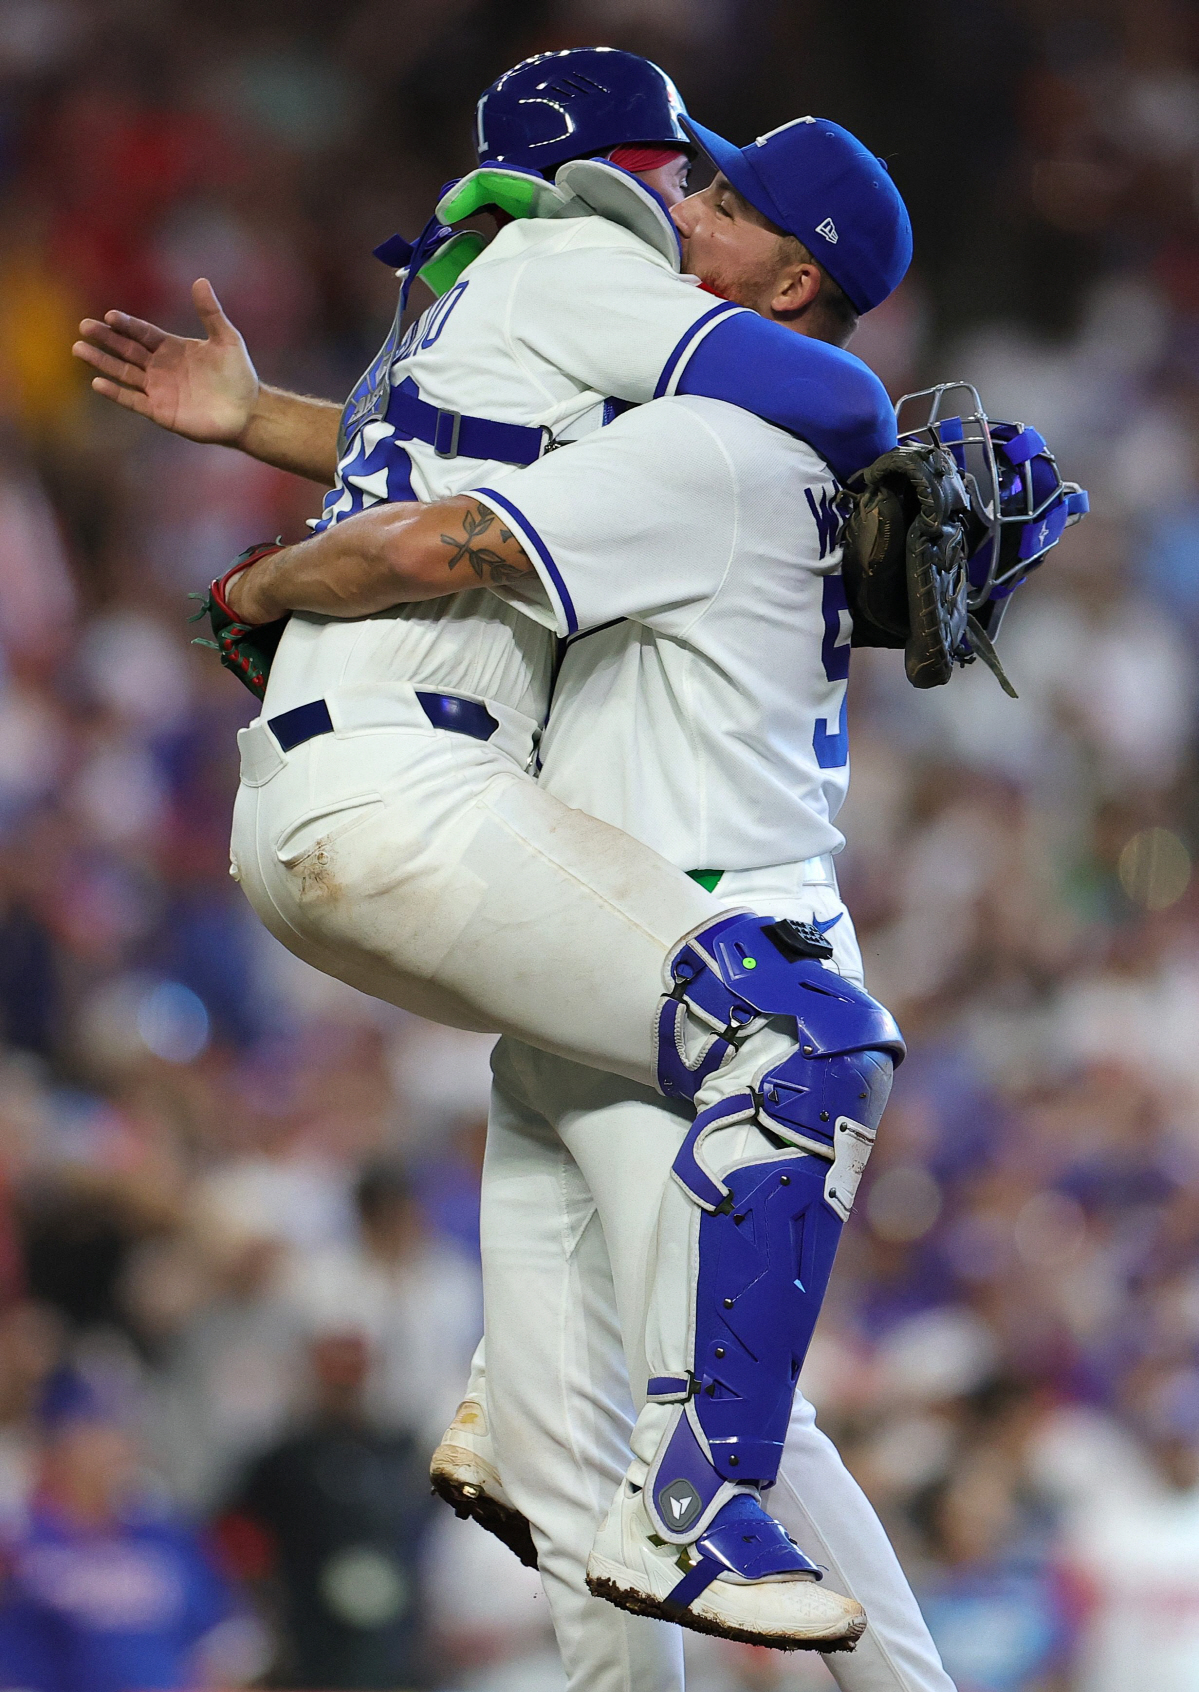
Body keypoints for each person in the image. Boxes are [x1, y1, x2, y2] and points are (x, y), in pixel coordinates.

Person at [74, 56, 914, 1653]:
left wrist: (258, 423)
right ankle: (681, 1492)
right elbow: (450, 530)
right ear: (619, 176)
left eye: (722, 196)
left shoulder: (480, 312)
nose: (693, 208)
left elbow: (453, 477)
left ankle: (523, 1414)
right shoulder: (591, 263)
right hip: (434, 808)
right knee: (800, 1061)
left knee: (559, 1448)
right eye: (690, 178)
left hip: (350, 816)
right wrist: (249, 593)